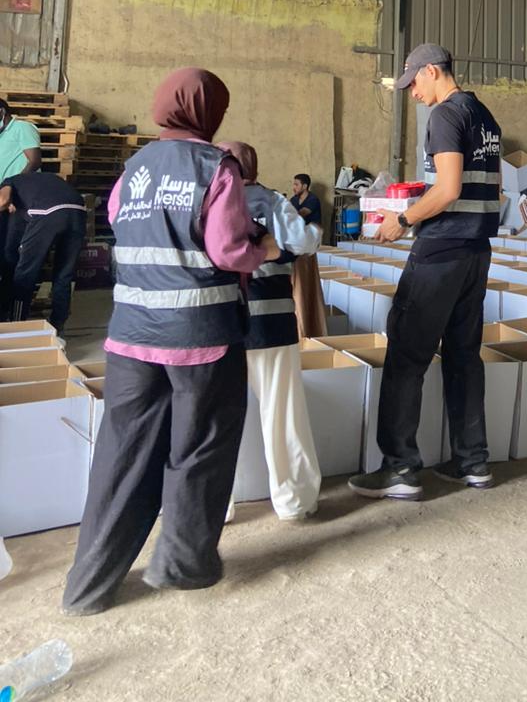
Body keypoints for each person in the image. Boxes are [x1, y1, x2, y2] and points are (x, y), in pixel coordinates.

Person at [62, 68, 279, 617]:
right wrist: (265, 250)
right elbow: (228, 250)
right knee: (200, 447)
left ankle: (88, 585)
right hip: (201, 338)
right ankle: (182, 563)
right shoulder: (216, 167)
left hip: (131, 337)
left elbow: (119, 222)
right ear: (210, 113)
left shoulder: (133, 168)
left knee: (121, 455)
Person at [348, 44, 500, 501]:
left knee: (406, 355)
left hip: (440, 253)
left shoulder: (445, 115)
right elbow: (481, 188)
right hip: (476, 251)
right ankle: (472, 461)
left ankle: (400, 467)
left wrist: (404, 218)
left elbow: (448, 188)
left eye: (413, 82)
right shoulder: (484, 116)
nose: (412, 93)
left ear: (432, 71)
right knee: (463, 355)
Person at [220, 142, 323, 522]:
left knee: (215, 418)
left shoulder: (207, 201)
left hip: (219, 326)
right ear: (255, 168)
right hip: (271, 323)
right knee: (283, 413)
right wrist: (299, 238)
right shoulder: (270, 200)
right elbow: (305, 242)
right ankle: (293, 501)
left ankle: (216, 505)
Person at [0, 171, 86, 330]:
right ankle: (58, 325)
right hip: (78, 210)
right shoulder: (35, 182)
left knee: (25, 272)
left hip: (47, 212)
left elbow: (2, 200)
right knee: (64, 274)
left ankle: (16, 324)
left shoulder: (8, 181)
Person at [0, 98, 41, 318]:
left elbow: (34, 161)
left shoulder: (23, 128)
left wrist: (14, 187)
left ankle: (11, 306)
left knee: (10, 252)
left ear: (2, 111)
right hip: (3, 196)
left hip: (17, 197)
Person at [289, 173, 324, 338]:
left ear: (305, 186)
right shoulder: (294, 200)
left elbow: (299, 215)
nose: (294, 187)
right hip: (298, 245)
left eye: (296, 184)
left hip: (310, 245)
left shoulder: (312, 200)